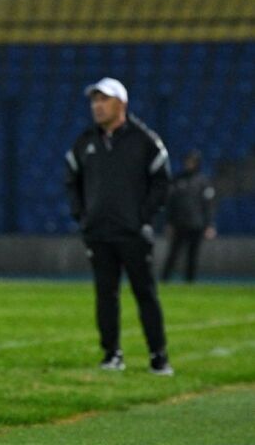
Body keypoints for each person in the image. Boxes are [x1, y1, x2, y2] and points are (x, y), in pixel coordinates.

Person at [65, 77, 174, 376]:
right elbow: (71, 180)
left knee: (145, 293)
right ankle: (111, 353)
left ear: (121, 103)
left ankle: (158, 356)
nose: (97, 106)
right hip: (98, 232)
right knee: (105, 295)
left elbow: (162, 182)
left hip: (132, 232)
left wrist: (143, 216)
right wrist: (82, 215)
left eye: (104, 100)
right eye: (94, 100)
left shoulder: (144, 140)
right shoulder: (85, 141)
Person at [161, 150, 216, 282]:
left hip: (196, 224)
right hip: (179, 224)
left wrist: (209, 225)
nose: (189, 164)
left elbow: (208, 205)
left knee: (192, 255)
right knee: (173, 254)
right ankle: (165, 279)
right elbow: (171, 203)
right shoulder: (177, 180)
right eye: (188, 161)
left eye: (192, 162)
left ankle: (190, 281)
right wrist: (169, 223)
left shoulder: (203, 182)